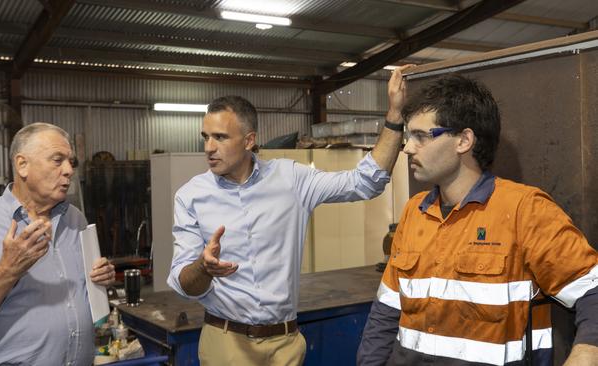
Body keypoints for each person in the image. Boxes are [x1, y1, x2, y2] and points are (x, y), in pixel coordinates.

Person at [166, 65, 414, 365]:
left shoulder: (291, 180)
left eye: (220, 137)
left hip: (286, 345)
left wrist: (395, 116)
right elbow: (183, 283)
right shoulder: (191, 196)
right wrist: (203, 268)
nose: (209, 148)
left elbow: (367, 182)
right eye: (205, 137)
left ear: (248, 140)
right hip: (225, 345)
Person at [357, 74, 598, 366]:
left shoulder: (524, 211)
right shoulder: (414, 212)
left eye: (421, 136)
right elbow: (386, 310)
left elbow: (592, 291)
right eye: (409, 136)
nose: (407, 148)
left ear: (464, 140)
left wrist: (586, 352)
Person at [0, 122, 116, 365]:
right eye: (58, 160)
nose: (69, 170)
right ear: (22, 165)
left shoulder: (75, 219)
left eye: (71, 162)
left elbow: (83, 294)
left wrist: (100, 279)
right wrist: (8, 270)